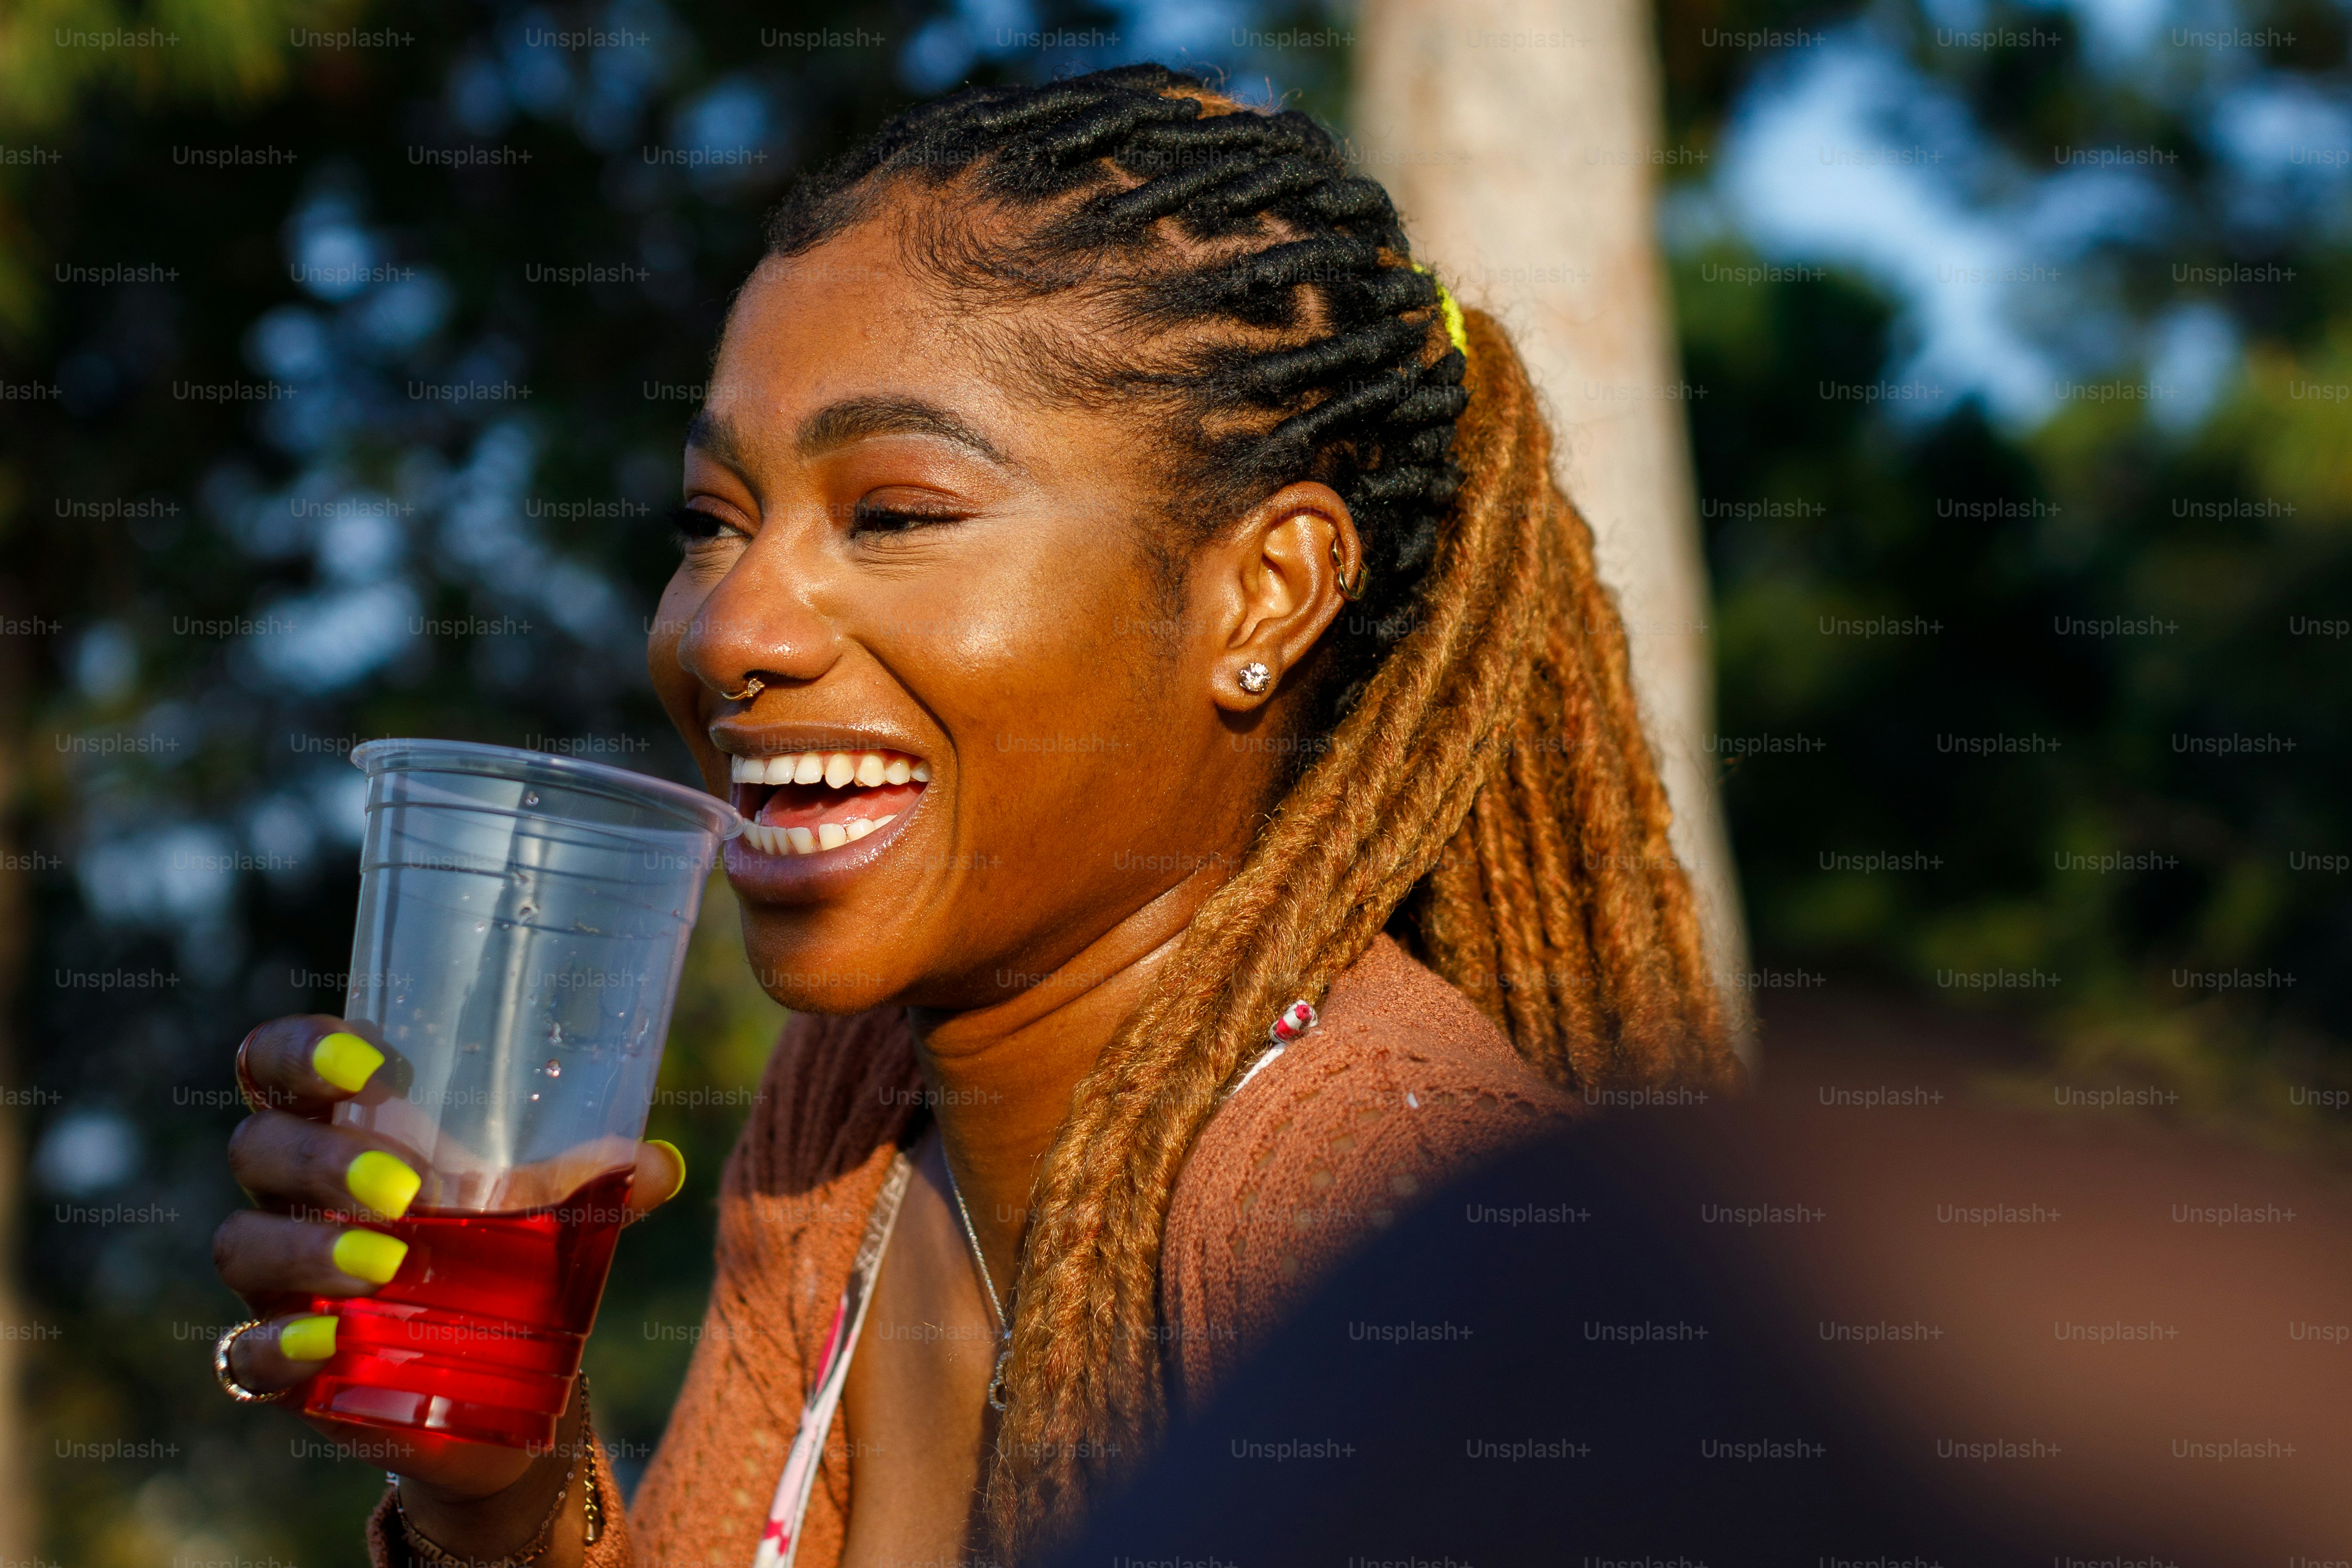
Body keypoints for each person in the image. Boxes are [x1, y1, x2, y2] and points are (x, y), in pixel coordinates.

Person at [208, 65, 1734, 1568]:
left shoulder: (1388, 1226)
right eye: (712, 522)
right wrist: (499, 1495)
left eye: (895, 514)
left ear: (1264, 594)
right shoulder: (850, 1120)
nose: (731, 631)